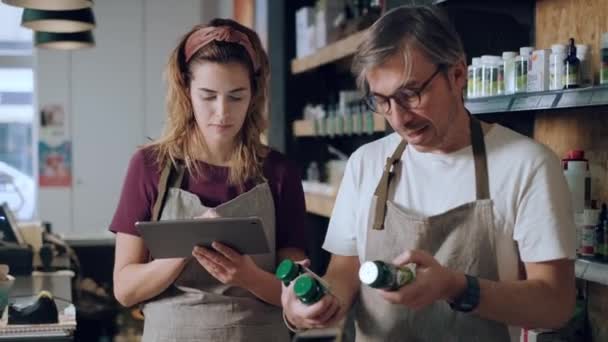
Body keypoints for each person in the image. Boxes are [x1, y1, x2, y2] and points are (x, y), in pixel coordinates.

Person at [282, 5, 576, 342]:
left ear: (457, 74)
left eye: (411, 94)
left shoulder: (527, 165)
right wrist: (312, 303)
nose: (399, 118)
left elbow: (555, 304)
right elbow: (344, 273)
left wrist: (457, 287)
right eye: (382, 101)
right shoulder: (366, 163)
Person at [110, 18, 307, 341]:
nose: (222, 112)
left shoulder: (279, 172)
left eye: (236, 96)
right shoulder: (150, 166)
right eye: (208, 95)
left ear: (254, 94)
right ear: (186, 90)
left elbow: (297, 295)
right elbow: (125, 290)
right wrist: (186, 246)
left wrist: (247, 276)